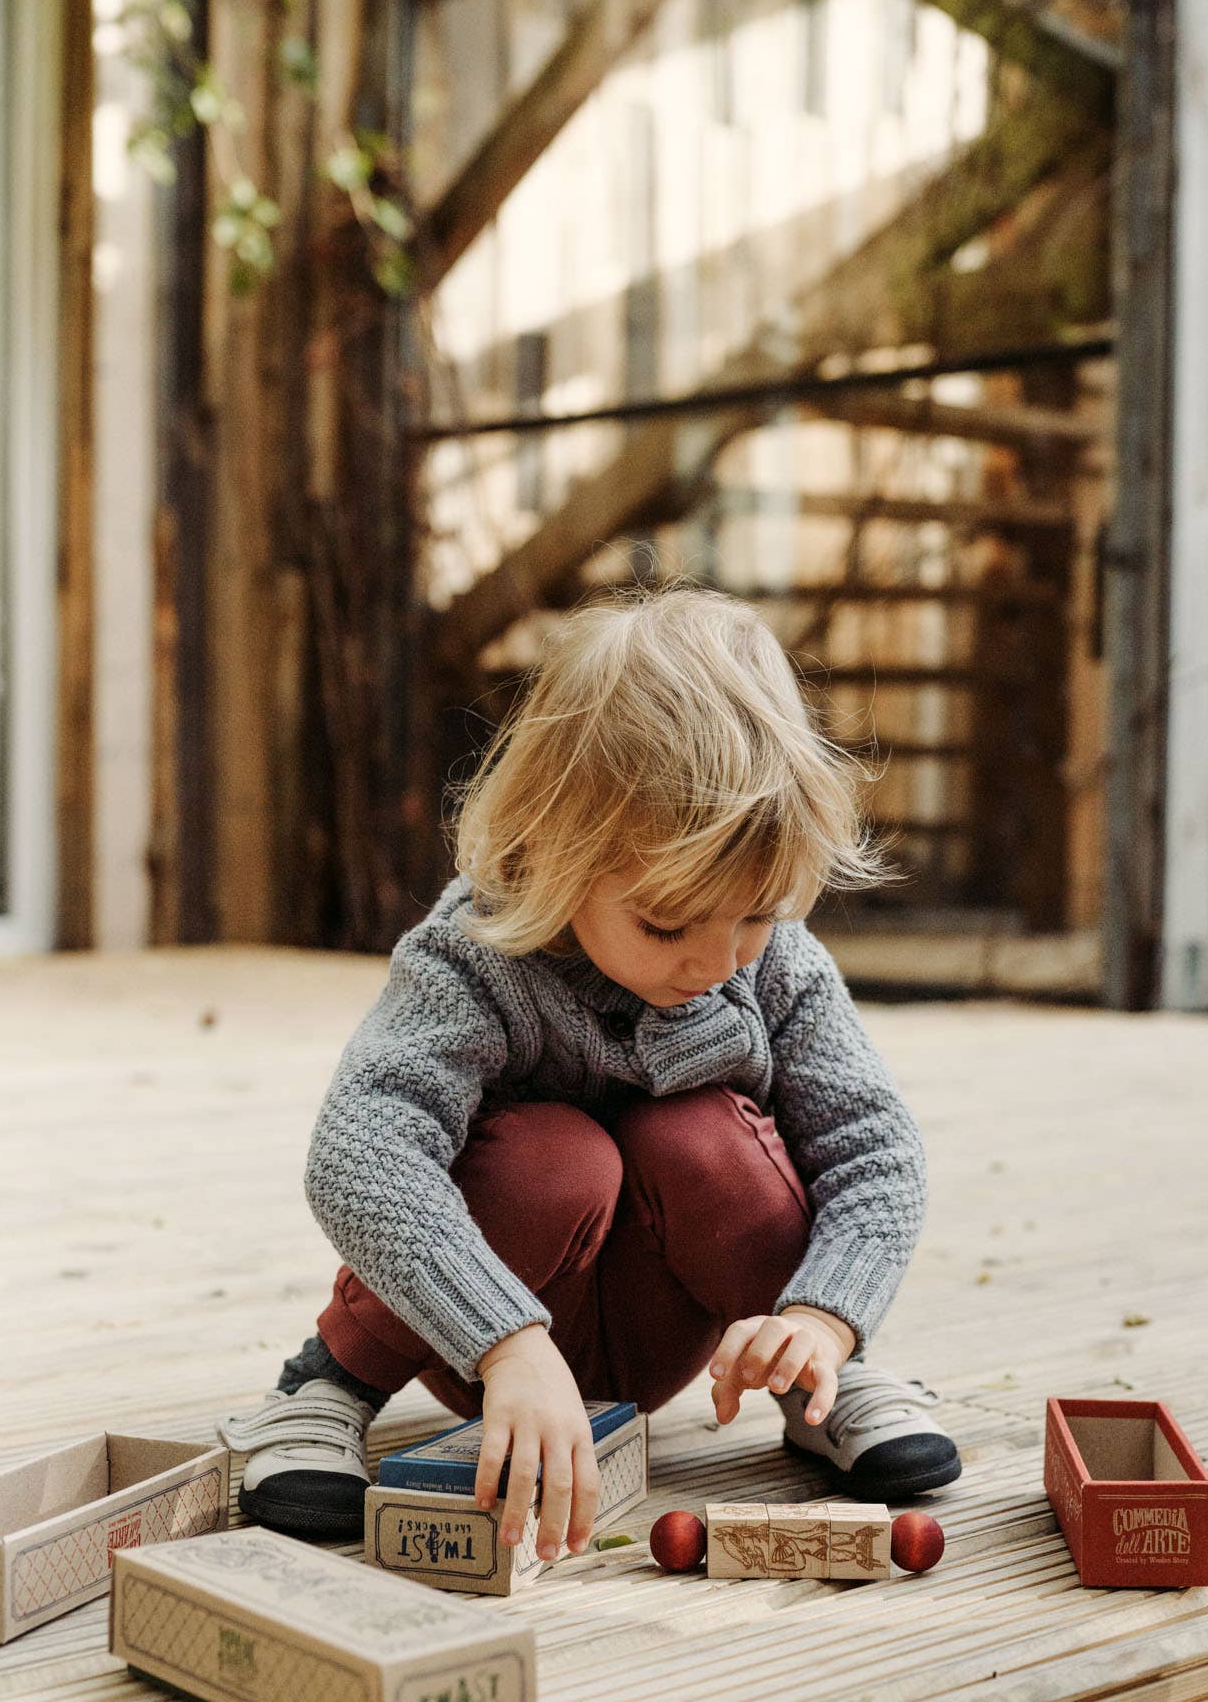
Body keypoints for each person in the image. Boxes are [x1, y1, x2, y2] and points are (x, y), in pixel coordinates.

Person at [217, 585, 960, 1555]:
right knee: (556, 1155)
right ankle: (325, 1385)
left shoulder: (772, 962)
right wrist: (503, 1341)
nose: (717, 957)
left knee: (697, 1133)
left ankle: (816, 1381)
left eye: (755, 911)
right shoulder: (472, 957)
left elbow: (873, 1148)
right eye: (666, 921)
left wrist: (824, 1316)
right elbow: (362, 1153)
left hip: (670, 1327)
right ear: (552, 850)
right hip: (471, 1332)